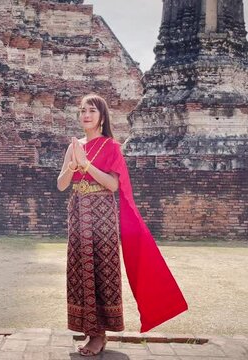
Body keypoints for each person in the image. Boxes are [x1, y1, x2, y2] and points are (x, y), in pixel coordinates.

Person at [57, 94, 188, 357]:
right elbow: (61, 184)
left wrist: (87, 165)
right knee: (80, 270)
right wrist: (72, 166)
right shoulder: (74, 145)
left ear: (102, 117)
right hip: (78, 212)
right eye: (82, 110)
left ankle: (99, 334)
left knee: (102, 269)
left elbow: (113, 185)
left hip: (102, 214)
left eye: (91, 111)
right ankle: (88, 327)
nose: (85, 115)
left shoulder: (111, 147)